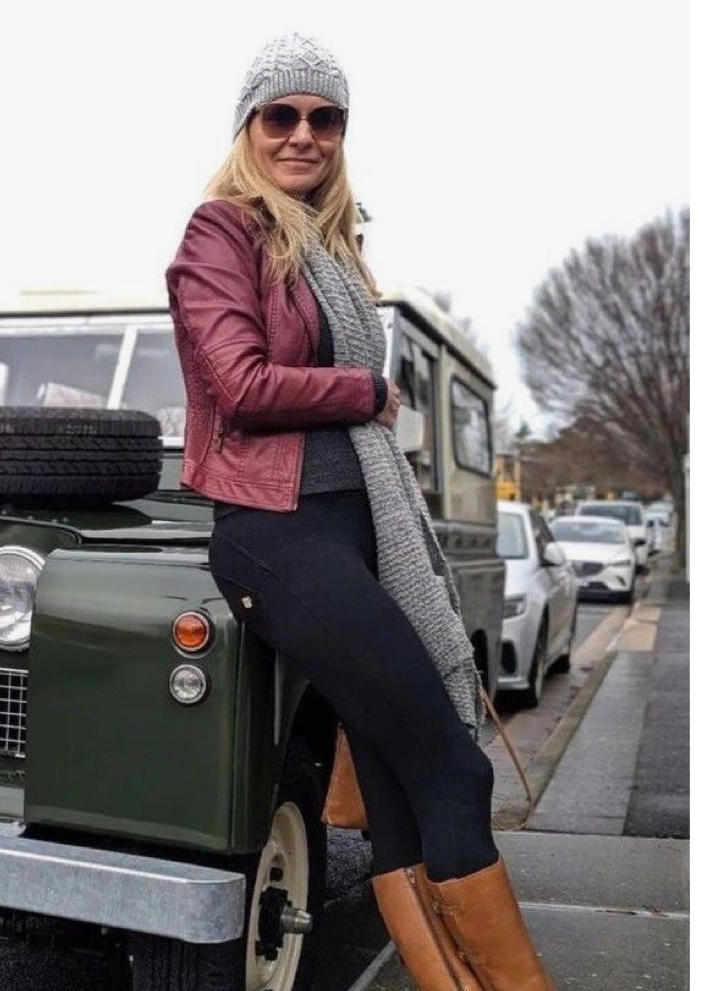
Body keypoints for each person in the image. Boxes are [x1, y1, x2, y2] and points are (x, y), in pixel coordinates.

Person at [166, 33, 555, 991]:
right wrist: (366, 391)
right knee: (455, 768)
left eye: (324, 118)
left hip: (351, 532)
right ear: (248, 127)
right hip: (278, 533)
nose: (303, 134)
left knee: (396, 788)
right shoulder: (223, 232)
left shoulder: (334, 250)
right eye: (281, 115)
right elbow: (240, 383)